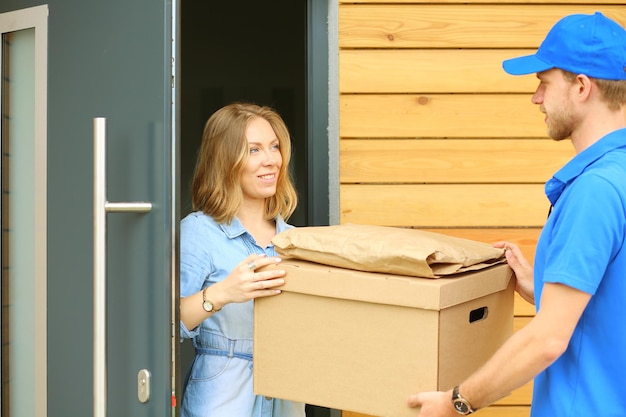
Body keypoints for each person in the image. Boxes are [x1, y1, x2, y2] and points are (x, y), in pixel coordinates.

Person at [407, 11, 626, 416]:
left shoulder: (595, 191)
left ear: (581, 87)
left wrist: (455, 403)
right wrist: (542, 288)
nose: (536, 98)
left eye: (544, 84)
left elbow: (547, 340)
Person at [179, 102, 305, 417]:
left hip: (286, 394)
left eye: (274, 147)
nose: (271, 160)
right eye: (254, 150)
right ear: (226, 160)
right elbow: (168, 323)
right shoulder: (199, 231)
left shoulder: (296, 240)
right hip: (223, 394)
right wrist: (223, 293)